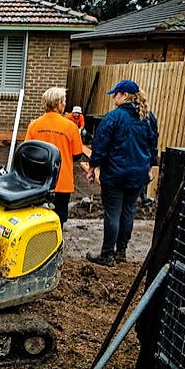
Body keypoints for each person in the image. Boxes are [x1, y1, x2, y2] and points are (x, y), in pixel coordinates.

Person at [86, 79, 159, 266]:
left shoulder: (113, 117)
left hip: (115, 174)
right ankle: (122, 252)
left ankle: (107, 254)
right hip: (137, 176)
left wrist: (93, 167)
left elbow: (100, 145)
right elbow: (153, 147)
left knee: (113, 213)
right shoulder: (149, 118)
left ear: (124, 95)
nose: (113, 98)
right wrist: (149, 169)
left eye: (116, 95)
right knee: (128, 212)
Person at [24, 87, 83, 226]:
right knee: (58, 220)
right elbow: (77, 155)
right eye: (64, 101)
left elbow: (27, 152)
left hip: (38, 182)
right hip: (61, 181)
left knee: (37, 219)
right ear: (59, 104)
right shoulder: (70, 127)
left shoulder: (34, 125)